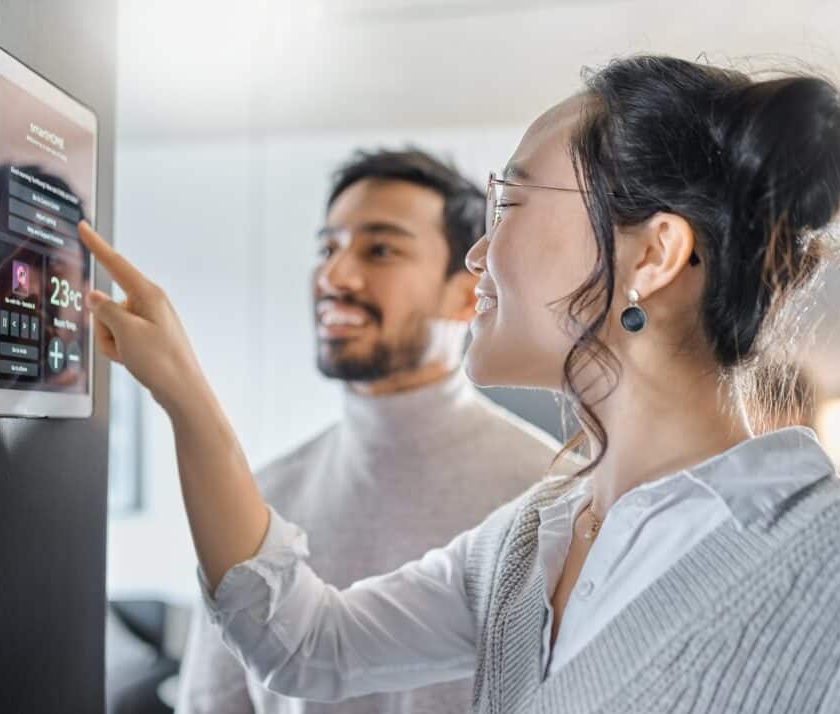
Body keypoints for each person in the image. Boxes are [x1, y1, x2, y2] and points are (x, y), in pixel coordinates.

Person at [80, 55, 840, 713]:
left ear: (657, 254)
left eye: (510, 206)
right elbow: (303, 643)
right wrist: (184, 393)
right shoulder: (528, 543)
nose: (477, 256)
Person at [175, 149, 567, 714]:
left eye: (380, 249)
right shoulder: (257, 499)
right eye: (328, 247)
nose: (334, 276)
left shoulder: (550, 495)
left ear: (466, 291)